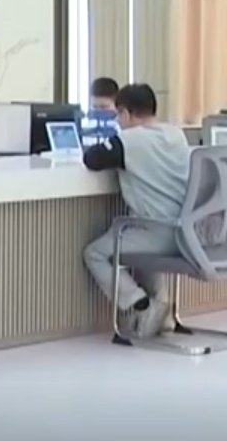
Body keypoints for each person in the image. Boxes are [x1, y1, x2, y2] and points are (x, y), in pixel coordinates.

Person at [80, 84, 189, 340]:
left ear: (127, 113)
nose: (118, 122)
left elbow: (92, 159)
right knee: (140, 242)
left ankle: (139, 303)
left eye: (118, 115)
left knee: (95, 253)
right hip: (187, 231)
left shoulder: (129, 140)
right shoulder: (176, 135)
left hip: (156, 232)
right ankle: (162, 307)